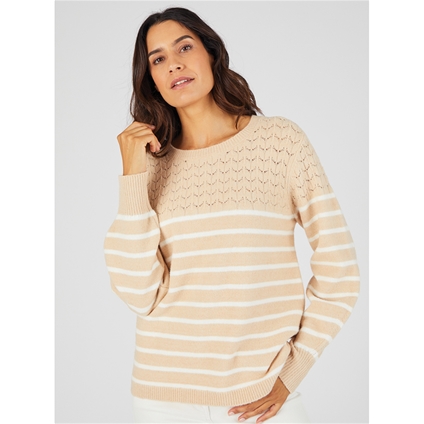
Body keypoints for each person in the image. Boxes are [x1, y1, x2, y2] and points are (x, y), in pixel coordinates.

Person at [104, 6, 360, 424]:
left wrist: (291, 373)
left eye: (185, 47)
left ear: (211, 53)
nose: (175, 64)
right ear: (151, 78)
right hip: (162, 400)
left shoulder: (280, 141)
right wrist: (132, 174)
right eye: (158, 58)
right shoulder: (150, 165)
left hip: (261, 399)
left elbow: (341, 270)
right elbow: (138, 293)